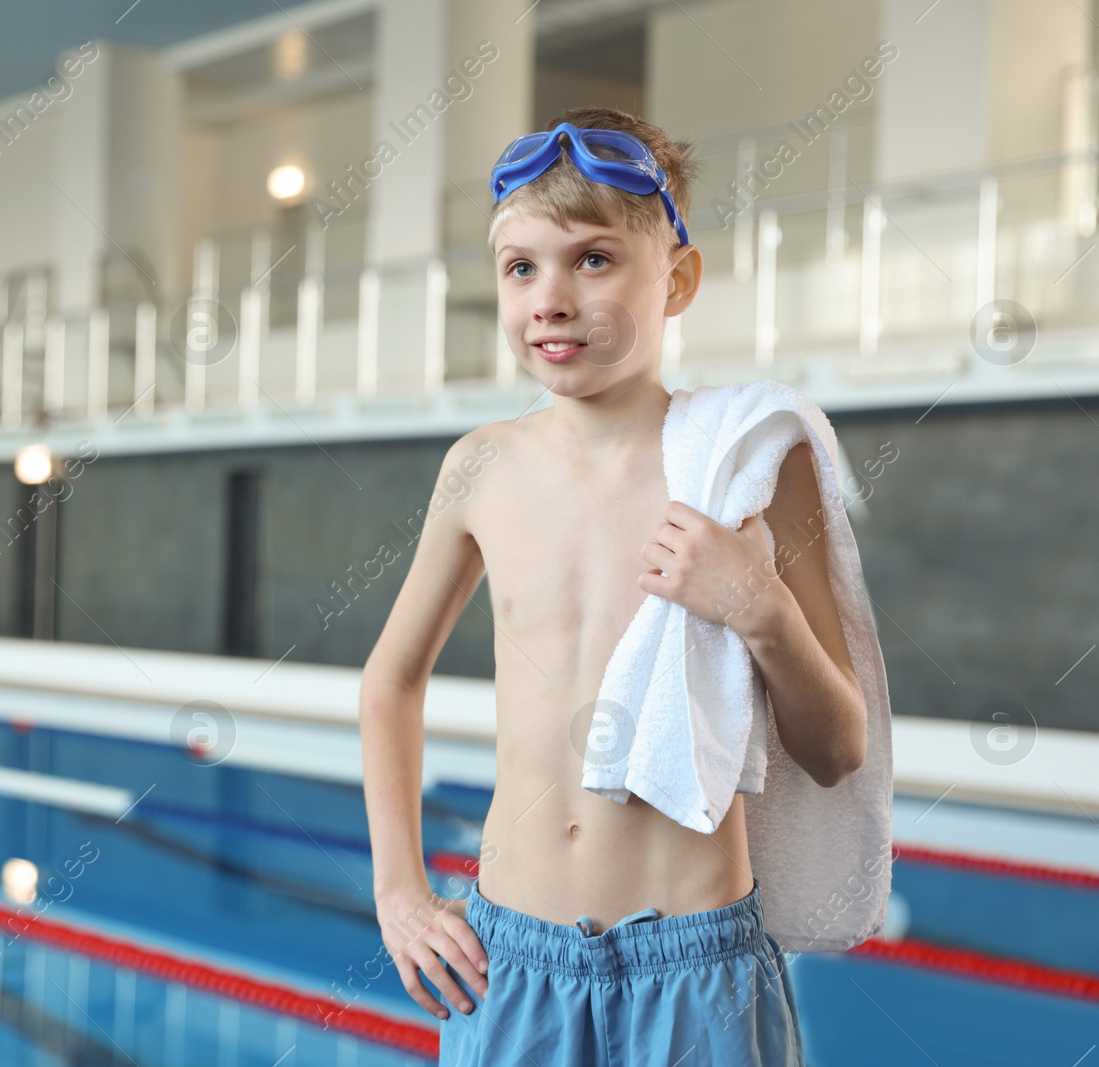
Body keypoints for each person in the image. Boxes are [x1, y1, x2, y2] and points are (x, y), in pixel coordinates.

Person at [359, 106, 871, 1065]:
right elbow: (390, 680)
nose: (550, 297)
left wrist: (762, 612)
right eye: (522, 267)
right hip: (508, 964)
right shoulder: (480, 468)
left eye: (592, 259)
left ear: (676, 278)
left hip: (697, 972)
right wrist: (399, 888)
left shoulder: (750, 465)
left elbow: (839, 747)